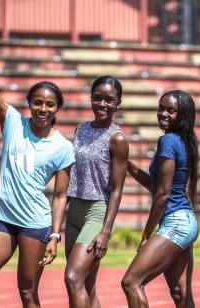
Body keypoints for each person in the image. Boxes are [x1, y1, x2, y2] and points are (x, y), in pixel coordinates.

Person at [0, 17, 75, 308]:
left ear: (57, 108)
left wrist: (55, 235)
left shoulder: (62, 147)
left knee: (28, 294)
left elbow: (60, 196)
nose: (42, 109)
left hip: (36, 225)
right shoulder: (11, 122)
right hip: (3, 221)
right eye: (37, 102)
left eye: (49, 104)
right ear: (29, 104)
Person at [121, 90, 199, 308]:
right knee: (180, 293)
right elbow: (159, 186)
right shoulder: (183, 141)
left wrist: (146, 235)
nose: (163, 113)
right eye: (161, 108)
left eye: (171, 110)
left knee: (131, 282)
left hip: (176, 222)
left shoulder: (168, 141)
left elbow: (163, 195)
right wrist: (128, 165)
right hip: (185, 221)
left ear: (182, 115)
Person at [64, 76, 129, 307]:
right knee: (86, 287)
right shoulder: (80, 130)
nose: (102, 104)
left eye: (109, 100)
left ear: (118, 103)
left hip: (97, 212)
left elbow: (117, 190)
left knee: (73, 278)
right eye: (97, 98)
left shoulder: (118, 139)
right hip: (74, 213)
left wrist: (105, 231)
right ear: (91, 98)